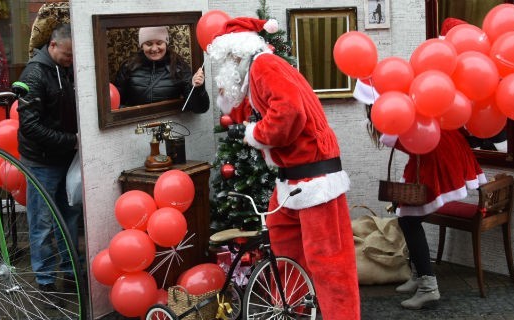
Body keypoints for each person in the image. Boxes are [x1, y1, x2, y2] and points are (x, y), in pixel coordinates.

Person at [207, 17, 360, 320]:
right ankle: (292, 313)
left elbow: (289, 114)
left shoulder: (265, 67)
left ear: (239, 53)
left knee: (329, 264)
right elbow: (242, 107)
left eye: (227, 57)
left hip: (314, 176)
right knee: (287, 257)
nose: (225, 64)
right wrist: (238, 116)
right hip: (291, 179)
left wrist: (252, 134)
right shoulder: (254, 74)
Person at [355, 79, 486, 309]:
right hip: (433, 154)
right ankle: (419, 276)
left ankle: (428, 287)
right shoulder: (403, 103)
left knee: (409, 221)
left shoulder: (394, 111)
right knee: (408, 220)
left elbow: (409, 141)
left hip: (436, 157)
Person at [16, 23, 82, 295]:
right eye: (67, 54)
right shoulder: (34, 74)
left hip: (65, 159)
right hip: (41, 162)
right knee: (41, 223)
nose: (71, 60)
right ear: (52, 45)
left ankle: (70, 272)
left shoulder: (65, 70)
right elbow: (30, 126)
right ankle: (45, 281)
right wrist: (72, 141)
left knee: (68, 218)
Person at [113, 26, 209, 112]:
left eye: (159, 43)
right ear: (142, 46)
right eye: (149, 44)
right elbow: (116, 103)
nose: (154, 49)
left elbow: (199, 108)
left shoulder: (179, 67)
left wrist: (197, 88)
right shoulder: (128, 66)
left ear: (166, 43)